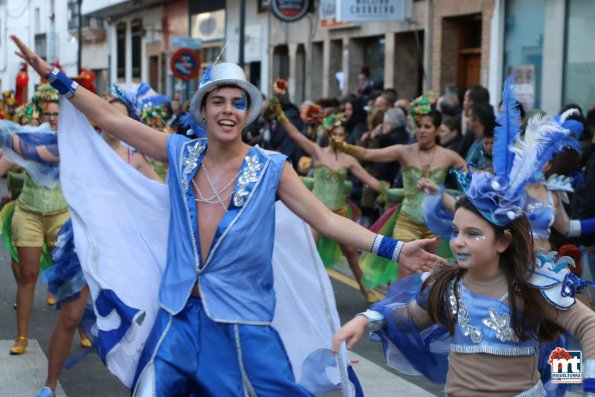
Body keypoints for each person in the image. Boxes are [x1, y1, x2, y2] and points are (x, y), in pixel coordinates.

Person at [11, 35, 446, 396]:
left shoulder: (272, 168)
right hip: (178, 315)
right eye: (217, 101)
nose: (227, 110)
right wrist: (54, 76)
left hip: (243, 322)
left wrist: (396, 247)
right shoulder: (179, 153)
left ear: (247, 113)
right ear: (203, 111)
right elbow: (109, 117)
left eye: (237, 103)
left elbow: (326, 221)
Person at [333, 196, 595, 396]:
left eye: (471, 234)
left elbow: (567, 228)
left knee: (560, 358)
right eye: (456, 232)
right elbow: (409, 316)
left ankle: (566, 388)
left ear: (504, 241)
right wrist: (368, 317)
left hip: (539, 284)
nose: (457, 242)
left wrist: (591, 382)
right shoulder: (447, 285)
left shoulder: (538, 285)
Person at [34, 94, 162, 397]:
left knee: (141, 320)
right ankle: (49, 386)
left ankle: (142, 387)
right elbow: (42, 152)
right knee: (71, 316)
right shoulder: (82, 151)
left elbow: (161, 196)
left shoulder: (135, 156)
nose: (112, 124)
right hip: (86, 246)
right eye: (105, 114)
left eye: (118, 117)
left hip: (124, 249)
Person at [334, 95, 467, 284]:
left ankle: (427, 312)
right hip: (407, 220)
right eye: (419, 125)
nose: (421, 131)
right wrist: (344, 147)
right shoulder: (404, 151)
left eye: (427, 127)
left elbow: (471, 180)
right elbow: (367, 154)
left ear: (437, 130)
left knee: (435, 277)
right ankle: (401, 312)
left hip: (435, 224)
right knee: (405, 274)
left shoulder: (449, 156)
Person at [271, 102, 387, 303]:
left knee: (351, 252)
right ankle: (301, 291)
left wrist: (387, 192)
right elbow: (296, 135)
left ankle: (366, 289)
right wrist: (280, 113)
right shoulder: (318, 152)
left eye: (343, 135)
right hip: (315, 211)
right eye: (336, 133)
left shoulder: (348, 159)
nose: (339, 138)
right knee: (308, 251)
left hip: (339, 212)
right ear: (329, 133)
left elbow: (370, 181)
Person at [1, 84, 70, 355]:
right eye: (47, 114)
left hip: (61, 215)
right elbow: (3, 164)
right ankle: (21, 337)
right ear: (38, 117)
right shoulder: (26, 140)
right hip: (27, 212)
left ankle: (82, 328)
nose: (52, 118)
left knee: (68, 277)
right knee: (27, 276)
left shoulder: (72, 142)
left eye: (57, 114)